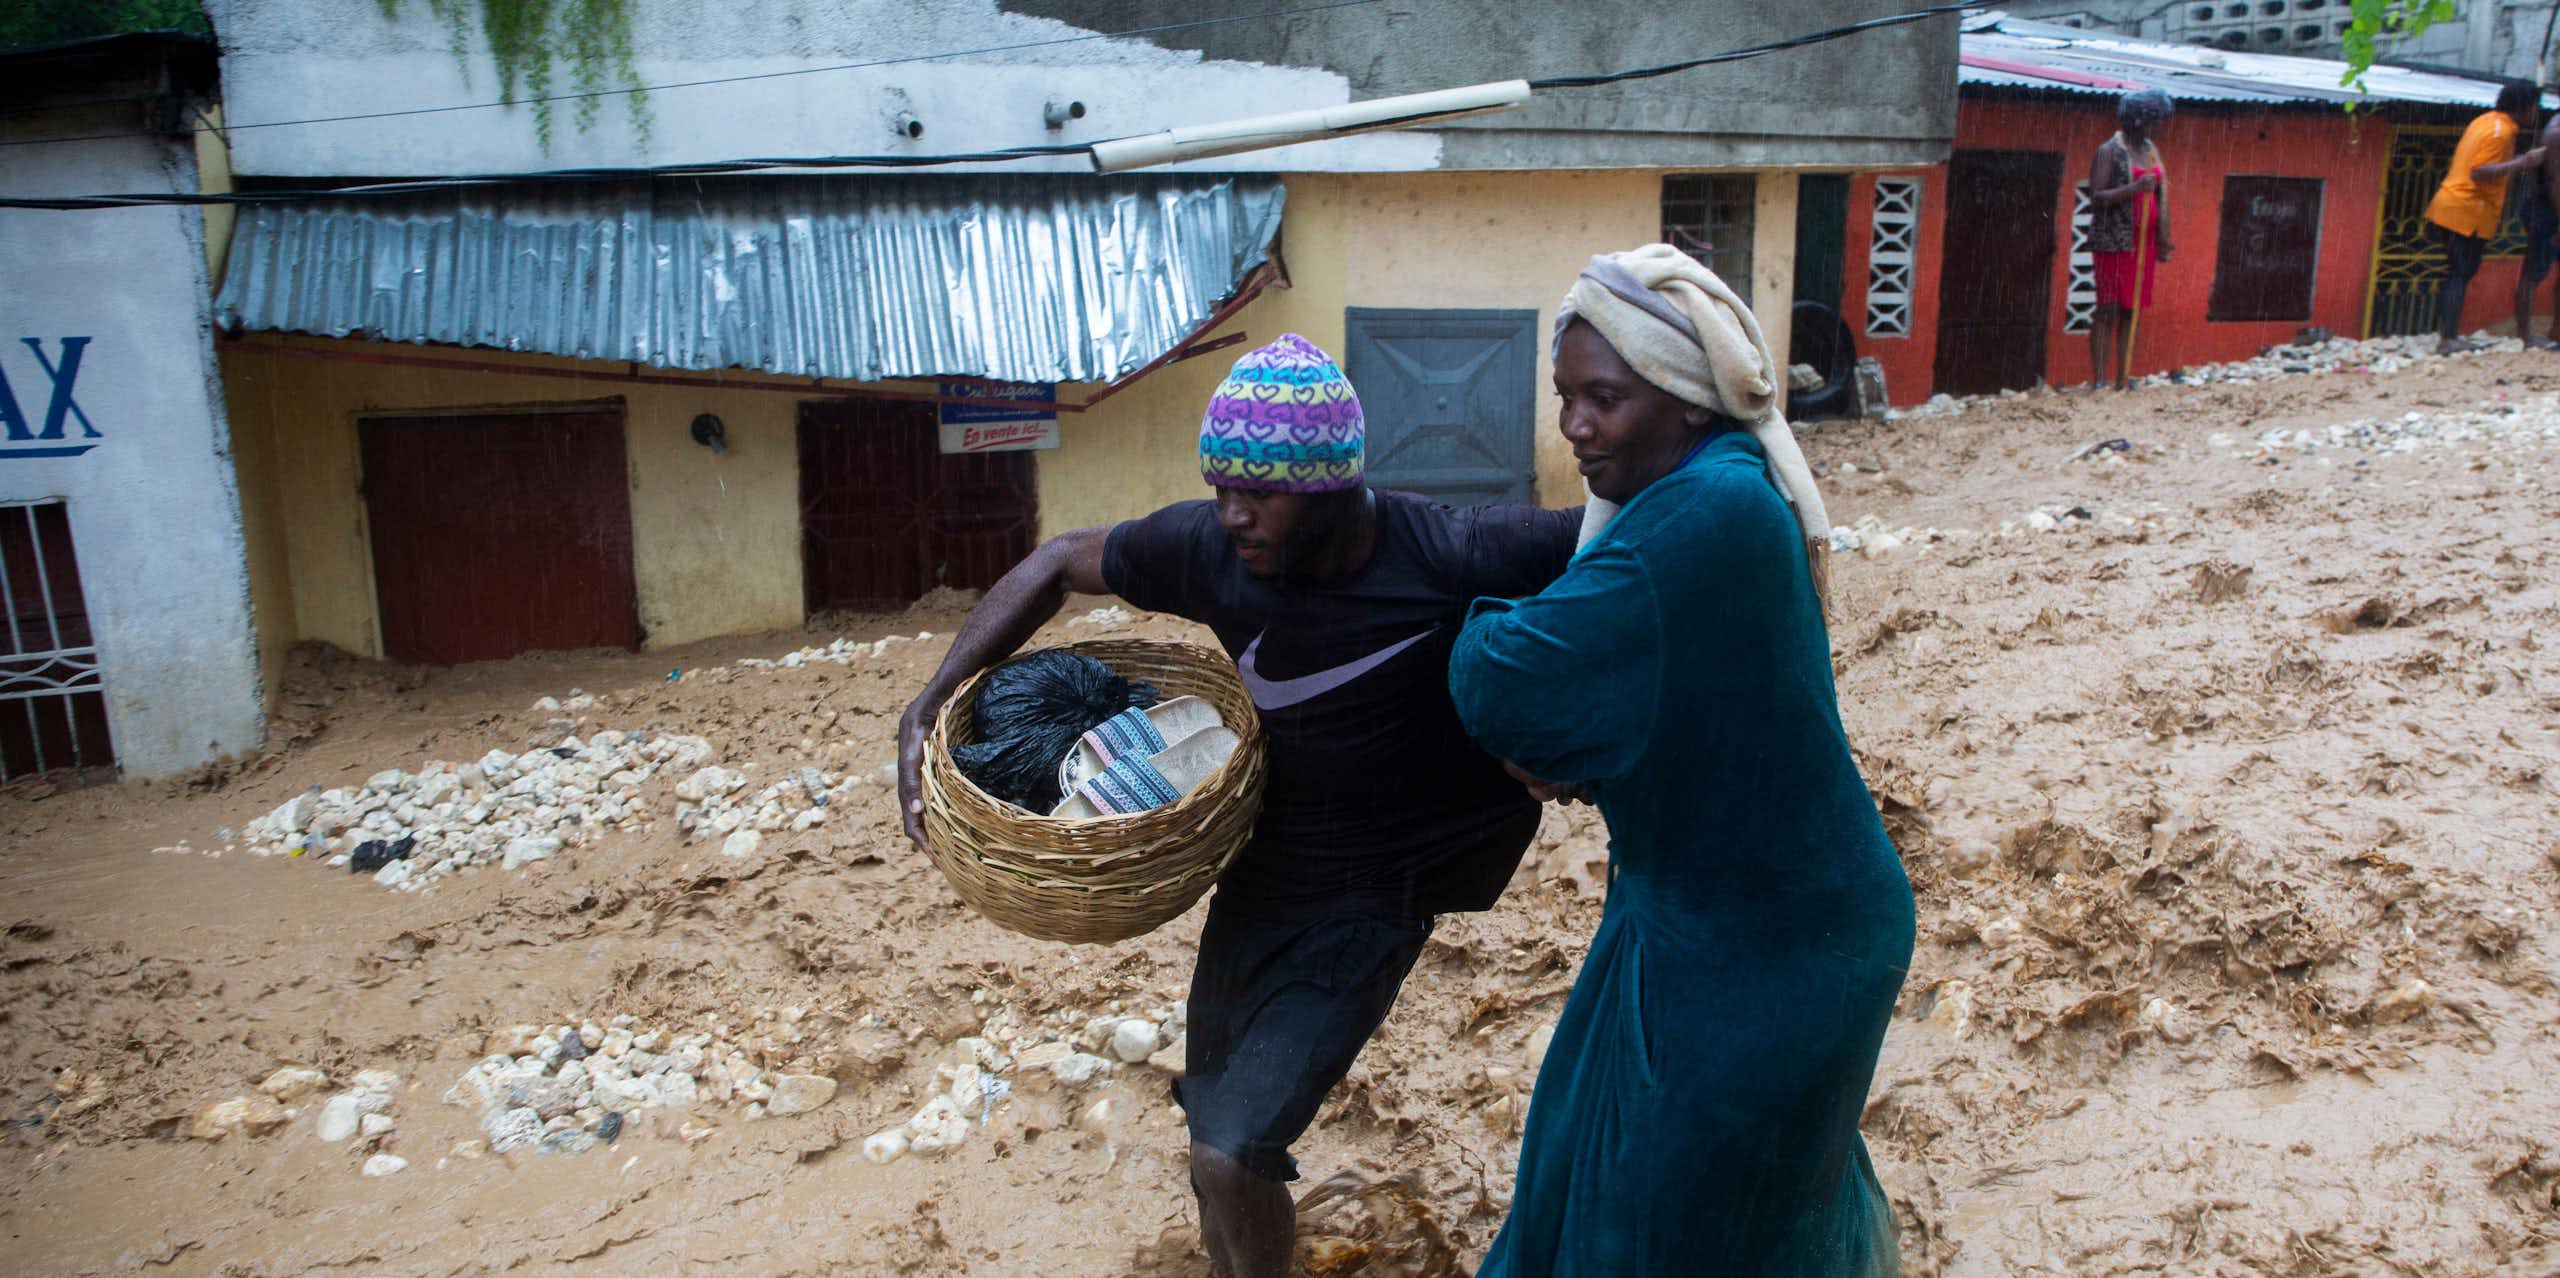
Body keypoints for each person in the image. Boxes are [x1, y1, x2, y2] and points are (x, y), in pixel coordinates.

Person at [895, 333, 1580, 1278]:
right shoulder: (1211, 550)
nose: (1232, 514)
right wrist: (929, 700)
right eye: (1219, 487)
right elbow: (1058, 562)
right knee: (1208, 1133)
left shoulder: (1453, 549)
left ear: (1334, 488)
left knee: (1230, 1147)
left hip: (1374, 902)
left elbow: (1636, 543)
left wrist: (1573, 728)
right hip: (1259, 884)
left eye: (1256, 493)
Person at [1448, 245, 1916, 1276]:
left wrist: (1540, 708)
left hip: (1777, 945)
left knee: (1673, 1218)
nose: (1574, 425)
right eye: (1566, 396)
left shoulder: (1706, 514)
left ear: (1688, 399)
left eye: (1604, 399)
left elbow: (1497, 677)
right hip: (1714, 912)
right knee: (1607, 1168)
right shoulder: (1712, 489)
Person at [2426, 80, 2546, 355]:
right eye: (2534, 107)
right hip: (2466, 210)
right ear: (2524, 106)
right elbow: (2479, 172)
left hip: (2453, 206)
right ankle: (2448, 338)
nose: (2536, 113)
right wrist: (2523, 162)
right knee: (2460, 273)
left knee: (2455, 273)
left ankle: (2447, 333)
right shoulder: (2499, 131)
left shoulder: (2485, 121)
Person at [2086, 88, 2175, 391]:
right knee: (2108, 308)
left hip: (2143, 243)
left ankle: (2123, 378)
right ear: (2140, 120)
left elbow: (2162, 194)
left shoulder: (2152, 151)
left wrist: (2164, 237)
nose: (2162, 126)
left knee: (2132, 309)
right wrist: (2135, 188)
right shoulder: (2109, 150)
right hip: (2114, 242)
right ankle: (2100, 380)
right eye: (2158, 120)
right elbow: (2097, 196)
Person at [2514, 103, 2560, 349]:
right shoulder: (2556, 132)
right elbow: (2556, 182)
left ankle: (2556, 332)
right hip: (2546, 212)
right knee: (2533, 274)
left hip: (2549, 210)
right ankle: (2525, 336)